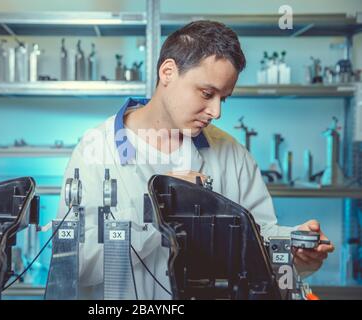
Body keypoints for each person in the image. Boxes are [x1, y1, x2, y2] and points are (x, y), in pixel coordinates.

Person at [58, 20, 334, 299]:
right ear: (168, 72)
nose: (216, 111)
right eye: (206, 93)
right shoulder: (96, 149)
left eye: (223, 99)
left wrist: (292, 257)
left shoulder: (231, 154)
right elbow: (73, 264)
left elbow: (259, 242)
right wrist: (157, 212)